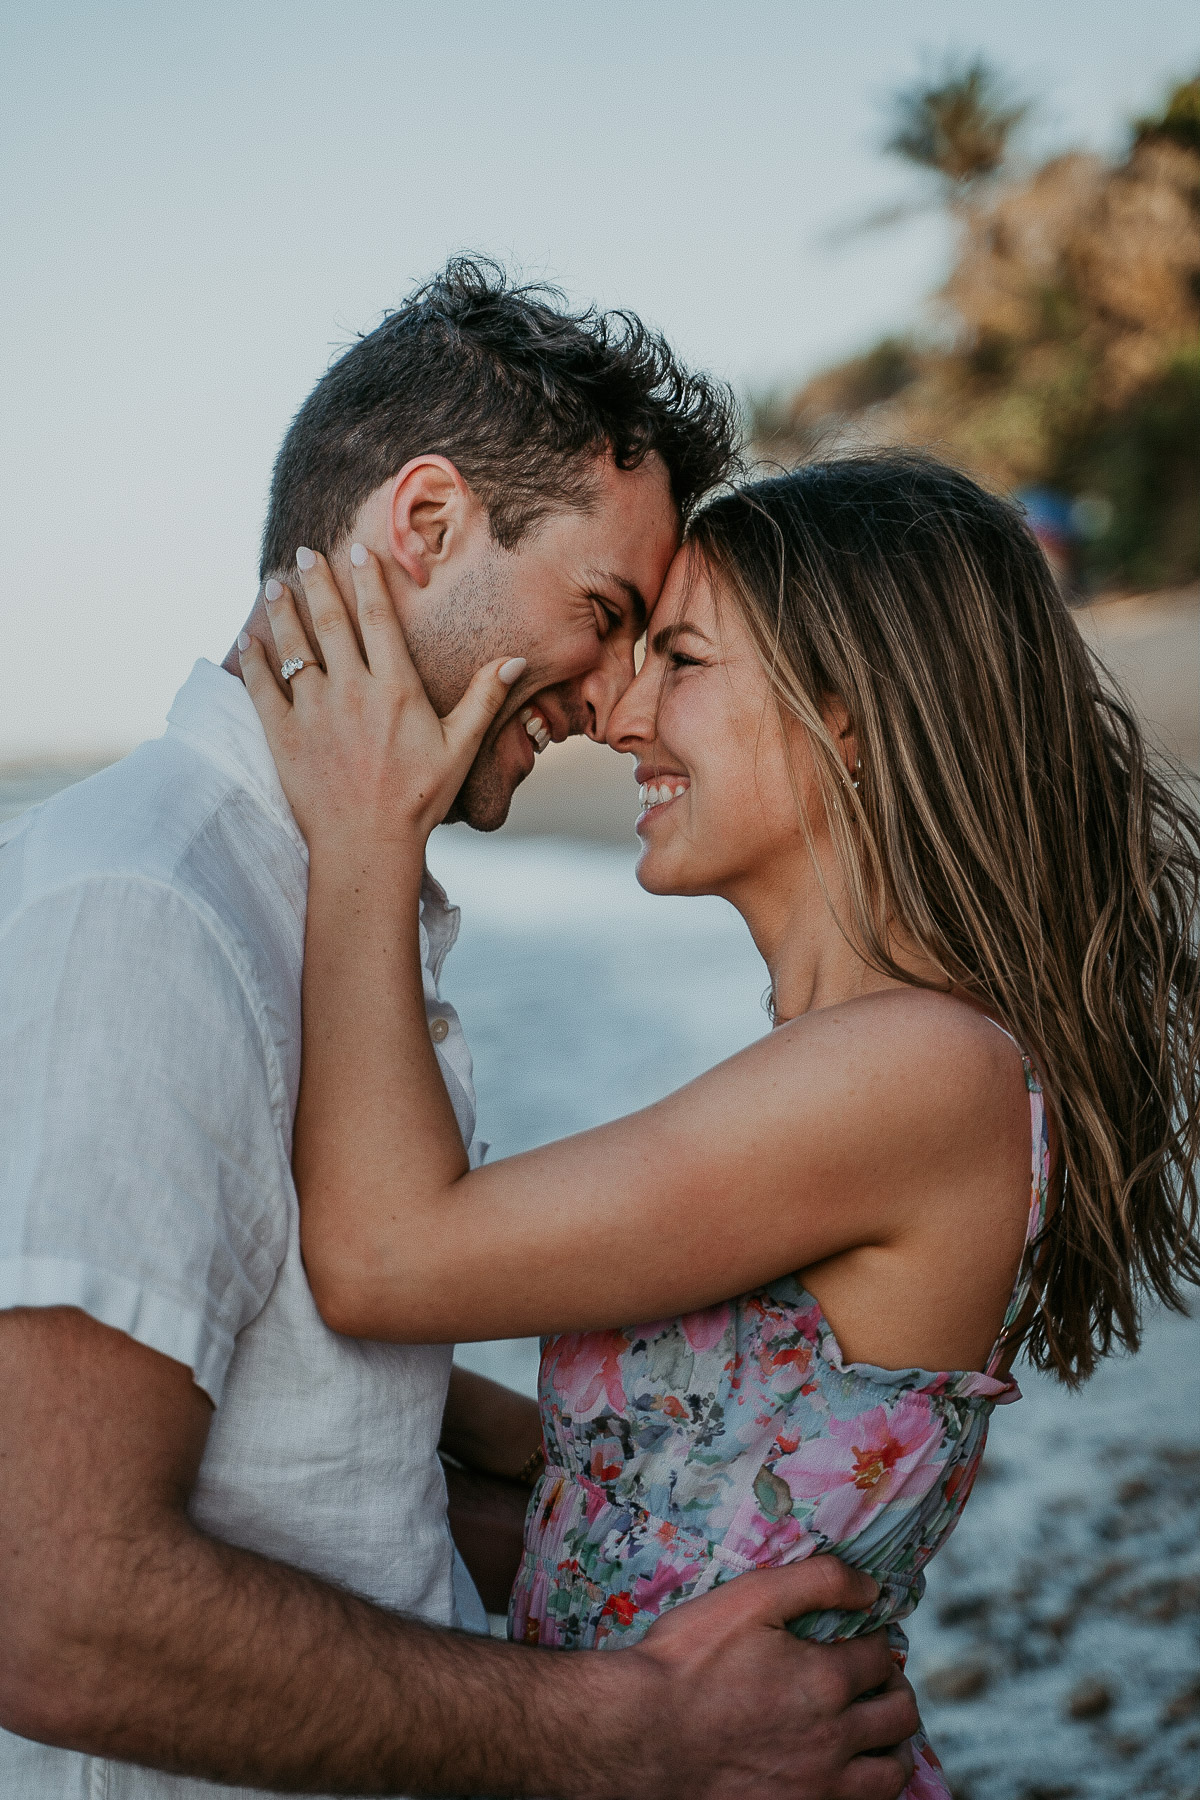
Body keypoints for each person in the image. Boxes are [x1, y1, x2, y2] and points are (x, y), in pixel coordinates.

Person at [0, 261, 921, 1800]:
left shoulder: (311, 906)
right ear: (424, 525)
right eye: (606, 613)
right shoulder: (149, 910)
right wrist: (639, 1733)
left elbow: (278, 1408)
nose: (616, 695)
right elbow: (52, 1604)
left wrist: (542, 1466)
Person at [241, 451, 1200, 1798]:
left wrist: (367, 831)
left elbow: (386, 1256)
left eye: (680, 657)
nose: (621, 712)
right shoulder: (875, 1064)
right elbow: (663, 1479)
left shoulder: (915, 1070)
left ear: (848, 716)